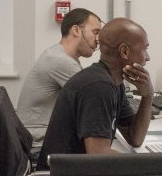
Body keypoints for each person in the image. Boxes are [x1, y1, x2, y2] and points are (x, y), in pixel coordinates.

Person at [37, 17, 162, 176]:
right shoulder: (98, 86)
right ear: (124, 51)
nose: (147, 57)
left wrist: (147, 95)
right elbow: (99, 156)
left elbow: (135, 139)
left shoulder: (113, 83)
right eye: (145, 49)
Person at [16, 8, 102, 141]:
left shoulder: (59, 54)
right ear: (76, 30)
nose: (98, 40)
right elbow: (93, 98)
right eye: (95, 32)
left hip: (35, 136)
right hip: (38, 143)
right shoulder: (61, 61)